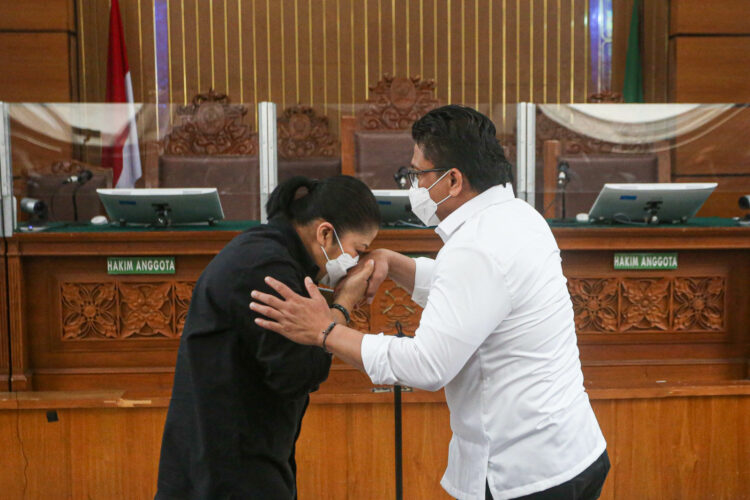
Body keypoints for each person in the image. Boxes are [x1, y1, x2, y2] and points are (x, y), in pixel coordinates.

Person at [250, 105, 610, 500]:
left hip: (526, 475)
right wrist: (394, 263)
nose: (413, 186)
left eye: (418, 174)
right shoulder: (517, 215)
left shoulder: (477, 246)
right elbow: (474, 297)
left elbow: (427, 364)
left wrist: (326, 332)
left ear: (453, 180)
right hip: (571, 452)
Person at [155, 175, 380, 500]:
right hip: (229, 467)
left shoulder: (267, 248)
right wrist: (343, 305)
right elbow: (298, 372)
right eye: (358, 250)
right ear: (326, 233)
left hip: (235, 451)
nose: (357, 264)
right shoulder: (268, 270)